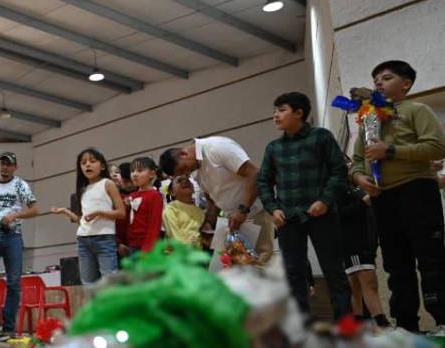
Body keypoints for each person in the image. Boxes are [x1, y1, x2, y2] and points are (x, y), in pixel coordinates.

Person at [351, 60, 445, 334]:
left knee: (431, 259)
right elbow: (357, 161)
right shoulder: (368, 119)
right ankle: (406, 325)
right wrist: (360, 178)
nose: (379, 82)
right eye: (376, 79)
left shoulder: (416, 110)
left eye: (386, 77)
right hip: (382, 198)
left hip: (417, 190)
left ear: (406, 84)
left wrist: (391, 151)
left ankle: (442, 320)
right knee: (396, 264)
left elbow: (437, 147)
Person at [257, 92, 351, 319]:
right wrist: (273, 208)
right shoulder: (273, 148)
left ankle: (346, 327)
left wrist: (325, 200)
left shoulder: (321, 137)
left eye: (281, 110)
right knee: (293, 275)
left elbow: (339, 172)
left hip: (322, 215)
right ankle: (302, 327)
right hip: (287, 219)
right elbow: (263, 182)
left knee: (334, 272)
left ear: (299, 113)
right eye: (274, 111)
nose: (275, 115)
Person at [160, 136, 275, 264]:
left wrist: (243, 210)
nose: (187, 173)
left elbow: (254, 174)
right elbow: (213, 200)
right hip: (231, 221)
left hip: (252, 212)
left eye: (184, 169)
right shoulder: (197, 170)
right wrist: (209, 222)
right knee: (235, 266)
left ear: (183, 154)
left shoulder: (216, 148)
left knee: (260, 261)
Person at [0, 152, 38, 340]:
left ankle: (8, 327)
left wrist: (14, 215)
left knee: (13, 282)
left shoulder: (20, 185)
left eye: (8, 165)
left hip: (13, 236)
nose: (4, 168)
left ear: (15, 167)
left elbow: (35, 209)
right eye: (2, 164)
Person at [51, 148, 126, 283]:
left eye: (92, 161)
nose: (87, 165)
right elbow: (82, 220)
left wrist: (99, 212)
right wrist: (65, 211)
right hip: (83, 240)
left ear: (102, 166)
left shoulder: (108, 184)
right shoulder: (83, 189)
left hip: (104, 238)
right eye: (83, 162)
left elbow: (121, 213)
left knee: (109, 282)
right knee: (88, 283)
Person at [335, 178, 389, 327]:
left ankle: (358, 324)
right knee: (368, 284)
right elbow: (338, 214)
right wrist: (363, 202)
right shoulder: (338, 187)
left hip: (367, 242)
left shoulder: (358, 186)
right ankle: (382, 323)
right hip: (354, 243)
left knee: (358, 288)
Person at [124, 157, 164, 253]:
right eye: (132, 171)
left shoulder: (154, 195)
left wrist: (148, 248)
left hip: (147, 245)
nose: (135, 174)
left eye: (140, 170)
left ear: (152, 174)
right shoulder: (131, 196)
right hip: (132, 243)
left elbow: (155, 223)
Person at [162, 175, 206, 248]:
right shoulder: (171, 209)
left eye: (188, 180)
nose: (185, 182)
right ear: (172, 192)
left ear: (193, 189)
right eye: (179, 181)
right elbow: (174, 236)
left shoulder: (200, 212)